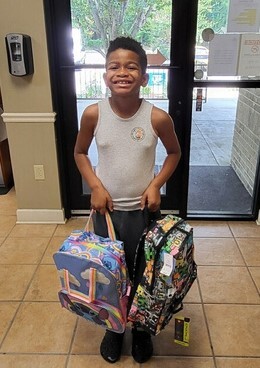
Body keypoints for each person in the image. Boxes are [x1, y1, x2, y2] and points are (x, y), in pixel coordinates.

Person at [74, 36, 181, 364]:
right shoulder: (93, 114)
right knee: (109, 274)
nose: (122, 72)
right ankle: (114, 328)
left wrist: (156, 185)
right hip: (105, 213)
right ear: (105, 75)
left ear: (145, 77)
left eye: (131, 66)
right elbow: (79, 152)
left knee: (143, 275)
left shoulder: (157, 118)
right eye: (114, 66)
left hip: (142, 213)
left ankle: (142, 330)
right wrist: (94, 184)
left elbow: (174, 154)